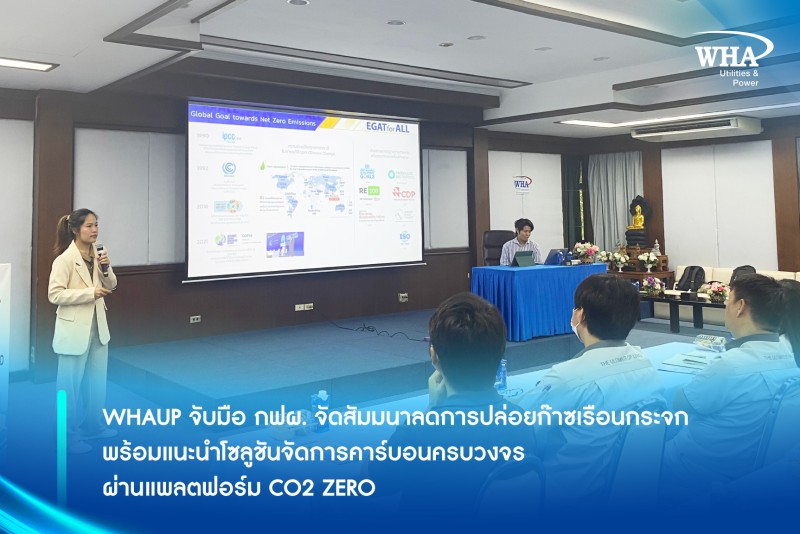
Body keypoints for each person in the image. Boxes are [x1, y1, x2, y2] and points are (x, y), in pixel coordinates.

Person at [367, 292, 535, 514]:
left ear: (434, 355)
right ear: (500, 352)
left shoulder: (418, 433)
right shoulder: (522, 422)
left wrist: (431, 410)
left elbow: (373, 483)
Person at [518, 273, 664, 506]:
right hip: (622, 492)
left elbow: (518, 424)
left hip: (565, 496)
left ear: (581, 314)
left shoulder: (567, 377)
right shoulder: (645, 364)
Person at [661, 274, 800, 500]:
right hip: (755, 466)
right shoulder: (791, 358)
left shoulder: (730, 366)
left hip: (698, 467)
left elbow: (681, 403)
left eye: (728, 299)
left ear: (740, 306)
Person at [48, 209, 118, 454]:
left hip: (98, 327)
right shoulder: (64, 260)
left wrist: (106, 269)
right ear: (76, 230)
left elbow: (112, 285)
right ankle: (66, 438)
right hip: (73, 330)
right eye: (89, 226)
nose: (95, 230)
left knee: (96, 384)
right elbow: (55, 295)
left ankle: (93, 427)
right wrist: (89, 293)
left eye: (96, 224)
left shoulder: (99, 254)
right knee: (69, 387)